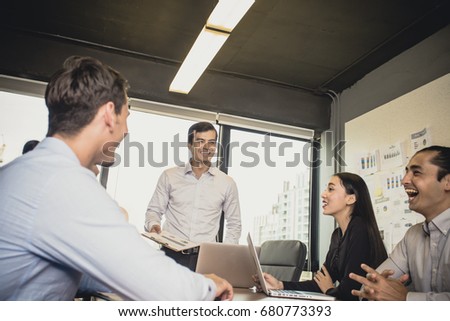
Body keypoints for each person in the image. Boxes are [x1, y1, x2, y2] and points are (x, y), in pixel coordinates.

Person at [0, 56, 232, 300]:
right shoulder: (64, 183)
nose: (126, 131)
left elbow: (75, 273)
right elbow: (151, 279)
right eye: (127, 115)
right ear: (110, 113)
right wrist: (207, 285)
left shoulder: (21, 172)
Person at [257, 172, 387, 301]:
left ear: (351, 199)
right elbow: (319, 283)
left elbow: (350, 293)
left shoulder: (359, 228)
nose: (323, 194)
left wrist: (330, 290)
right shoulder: (337, 235)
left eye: (331, 189)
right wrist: (280, 285)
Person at [350, 145, 450, 301]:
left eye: (416, 172)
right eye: (406, 172)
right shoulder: (413, 236)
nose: (404, 180)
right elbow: (370, 288)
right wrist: (378, 290)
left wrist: (406, 299)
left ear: (447, 182)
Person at [145, 121, 242, 271]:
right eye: (200, 141)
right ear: (189, 145)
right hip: (170, 255)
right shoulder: (169, 176)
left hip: (206, 259)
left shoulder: (227, 183)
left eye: (211, 142)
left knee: (205, 295)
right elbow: (153, 211)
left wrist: (223, 254)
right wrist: (154, 226)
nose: (206, 147)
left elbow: (235, 224)